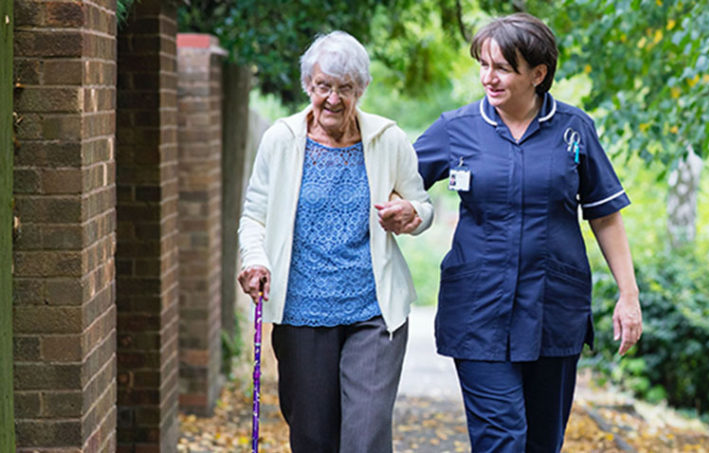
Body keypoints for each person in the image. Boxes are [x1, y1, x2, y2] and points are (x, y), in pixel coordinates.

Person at [413, 13, 642, 452]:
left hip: (554, 311)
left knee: (542, 442)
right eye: (484, 65)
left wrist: (628, 296)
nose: (488, 78)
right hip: (478, 312)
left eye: (502, 68)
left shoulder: (575, 130)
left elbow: (605, 214)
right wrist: (408, 210)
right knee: (502, 439)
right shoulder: (457, 128)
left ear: (538, 74)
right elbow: (400, 180)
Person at [236, 31, 432, 452]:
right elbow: (255, 215)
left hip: (373, 311)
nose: (333, 98)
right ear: (309, 85)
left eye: (345, 88)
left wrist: (412, 215)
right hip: (302, 311)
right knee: (312, 438)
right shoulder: (281, 139)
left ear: (360, 90)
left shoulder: (388, 139)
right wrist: (255, 260)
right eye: (324, 86)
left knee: (365, 437)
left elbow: (421, 204)